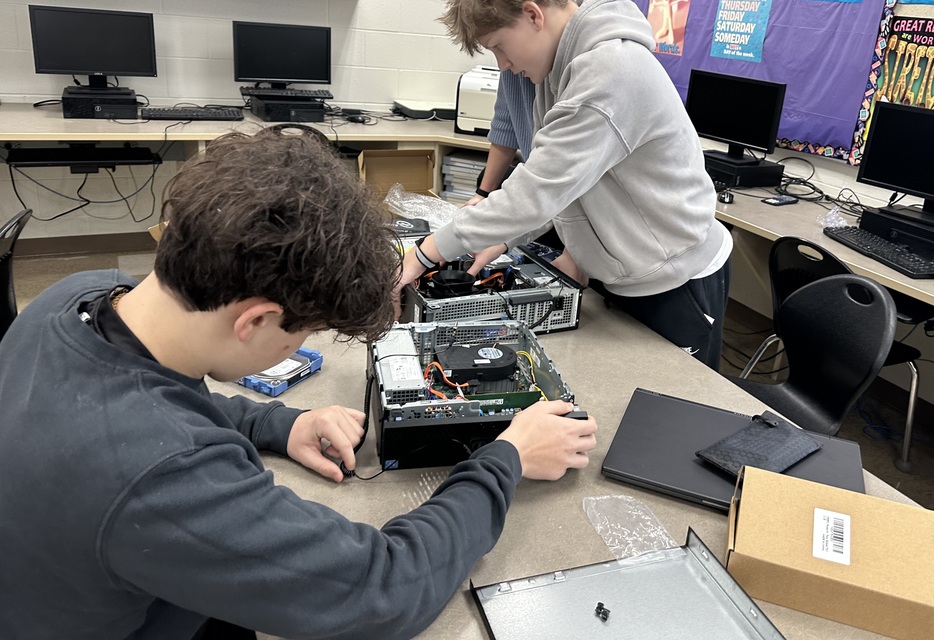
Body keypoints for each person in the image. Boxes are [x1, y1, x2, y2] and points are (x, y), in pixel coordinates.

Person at [0, 128, 597, 639]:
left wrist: (278, 423)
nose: (300, 346)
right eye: (302, 333)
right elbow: (383, 588)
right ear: (256, 319)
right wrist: (507, 459)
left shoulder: (78, 296)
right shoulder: (159, 477)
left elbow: (161, 398)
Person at [398, 0, 732, 371]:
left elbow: (537, 191)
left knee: (669, 421)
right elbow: (555, 180)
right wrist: (502, 236)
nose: (501, 64)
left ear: (533, 15)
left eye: (499, 45)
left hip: (677, 281)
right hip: (630, 275)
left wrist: (426, 252)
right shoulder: (560, 71)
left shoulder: (609, 71)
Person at [459, 0, 587, 208]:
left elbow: (569, 174)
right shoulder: (523, 45)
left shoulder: (590, 57)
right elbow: (507, 118)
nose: (505, 65)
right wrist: (483, 193)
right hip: (550, 201)